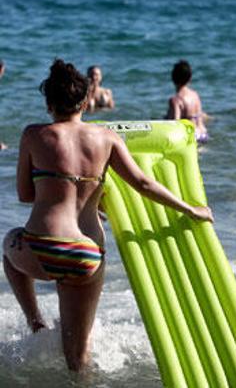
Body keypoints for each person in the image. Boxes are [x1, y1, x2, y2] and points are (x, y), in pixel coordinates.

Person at [3, 60, 213, 371]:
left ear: (49, 104)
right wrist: (190, 208)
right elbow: (143, 183)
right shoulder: (106, 137)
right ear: (85, 101)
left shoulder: (34, 135)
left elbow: (25, 195)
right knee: (78, 356)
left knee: (9, 246)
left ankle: (36, 324)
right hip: (86, 254)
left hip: (39, 247)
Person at [166, 60, 208, 143]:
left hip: (190, 135)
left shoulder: (176, 99)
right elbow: (199, 115)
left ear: (173, 78)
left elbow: (176, 123)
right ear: (190, 78)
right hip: (202, 133)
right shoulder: (195, 95)